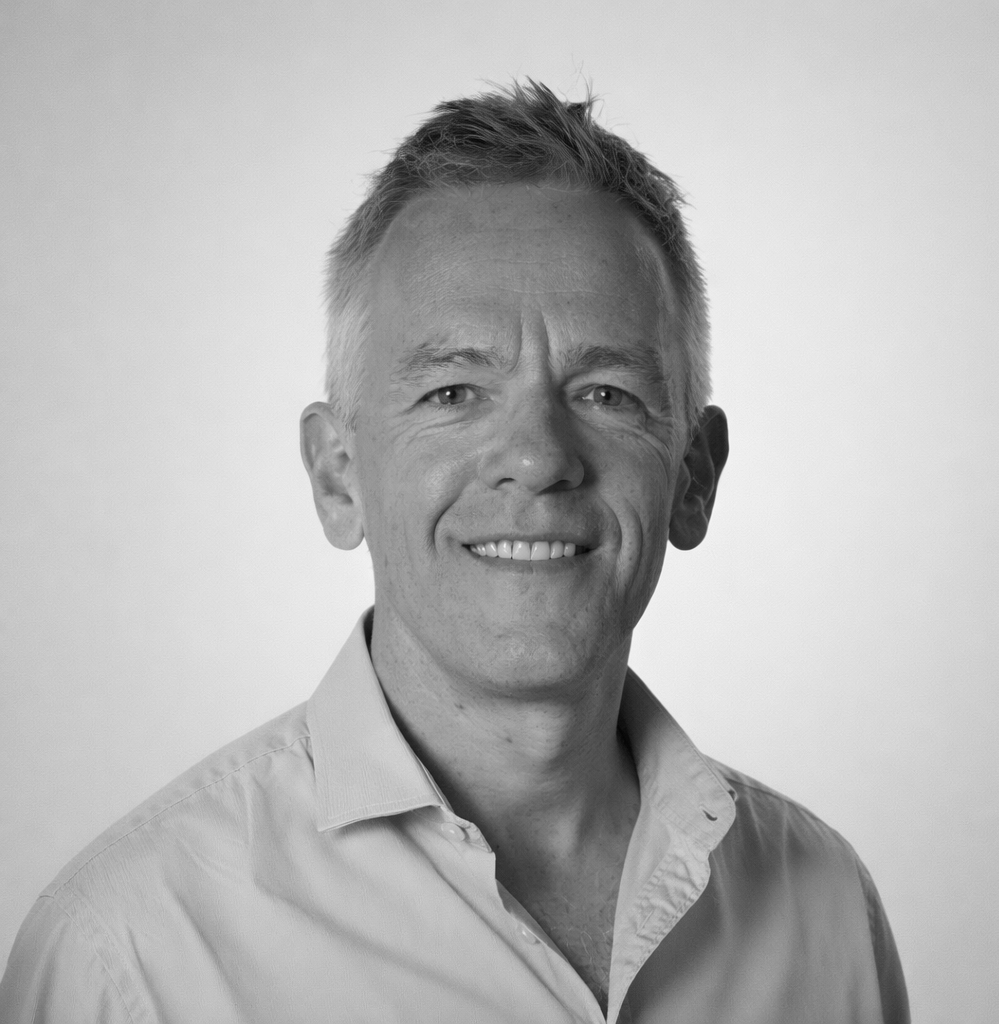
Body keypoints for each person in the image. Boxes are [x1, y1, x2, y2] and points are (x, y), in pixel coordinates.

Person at [0, 81, 909, 1024]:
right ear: (338, 475)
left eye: (605, 393)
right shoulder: (131, 957)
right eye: (453, 393)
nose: (538, 458)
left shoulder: (824, 906)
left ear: (694, 477)